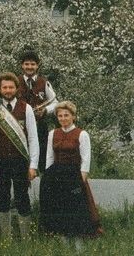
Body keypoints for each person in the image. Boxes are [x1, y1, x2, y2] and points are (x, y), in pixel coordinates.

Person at [0, 72, 39, 238]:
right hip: (0, 161)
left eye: (11, 87)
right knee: (2, 198)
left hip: (20, 161)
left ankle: (25, 237)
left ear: (17, 88)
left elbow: (33, 139)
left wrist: (33, 165)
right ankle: (6, 238)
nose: (8, 90)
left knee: (22, 198)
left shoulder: (26, 108)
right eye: (4, 87)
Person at [40, 101, 102, 249]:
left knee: (76, 210)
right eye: (60, 116)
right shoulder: (52, 133)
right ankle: (64, 241)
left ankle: (78, 243)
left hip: (74, 176)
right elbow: (49, 157)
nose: (63, 118)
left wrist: (81, 181)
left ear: (73, 116)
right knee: (60, 208)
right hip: (57, 175)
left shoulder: (82, 134)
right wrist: (49, 178)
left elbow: (86, 159)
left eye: (66, 115)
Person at [17, 50, 57, 171]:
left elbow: (55, 102)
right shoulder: (15, 82)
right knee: (21, 161)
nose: (29, 67)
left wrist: (45, 110)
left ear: (37, 65)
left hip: (39, 126)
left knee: (41, 161)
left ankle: (39, 188)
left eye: (33, 64)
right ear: (22, 65)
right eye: (27, 64)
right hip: (19, 127)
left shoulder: (44, 82)